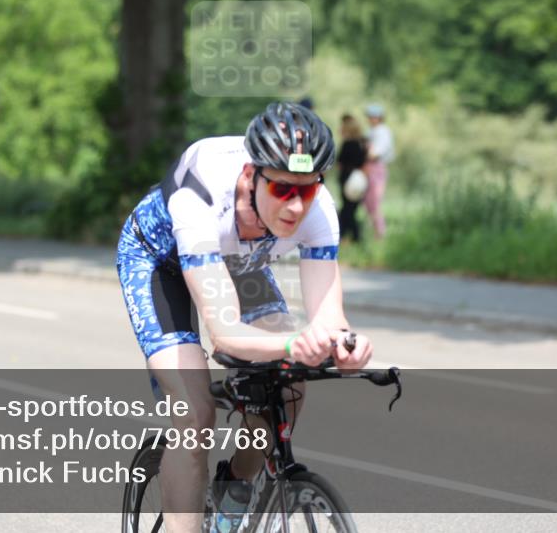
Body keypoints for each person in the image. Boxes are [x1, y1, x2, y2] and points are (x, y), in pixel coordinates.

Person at [116, 102, 374, 532]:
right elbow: (226, 334)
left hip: (239, 262)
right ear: (252, 175)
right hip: (159, 262)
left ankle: (234, 488)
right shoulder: (201, 194)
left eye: (307, 190)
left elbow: (330, 320)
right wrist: (295, 343)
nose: (295, 206)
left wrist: (346, 345)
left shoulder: (320, 208)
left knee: (288, 386)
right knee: (195, 415)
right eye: (282, 190)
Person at [363, 103, 395, 238]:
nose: (371, 119)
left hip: (377, 168)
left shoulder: (383, 131)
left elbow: (375, 153)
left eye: (373, 116)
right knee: (368, 202)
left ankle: (380, 233)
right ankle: (375, 232)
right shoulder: (370, 131)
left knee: (375, 202)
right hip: (367, 168)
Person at [337, 114, 367, 243]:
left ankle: (352, 236)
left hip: (348, 177)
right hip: (359, 179)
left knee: (346, 210)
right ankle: (351, 236)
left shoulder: (348, 144)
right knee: (351, 209)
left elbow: (340, 162)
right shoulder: (362, 143)